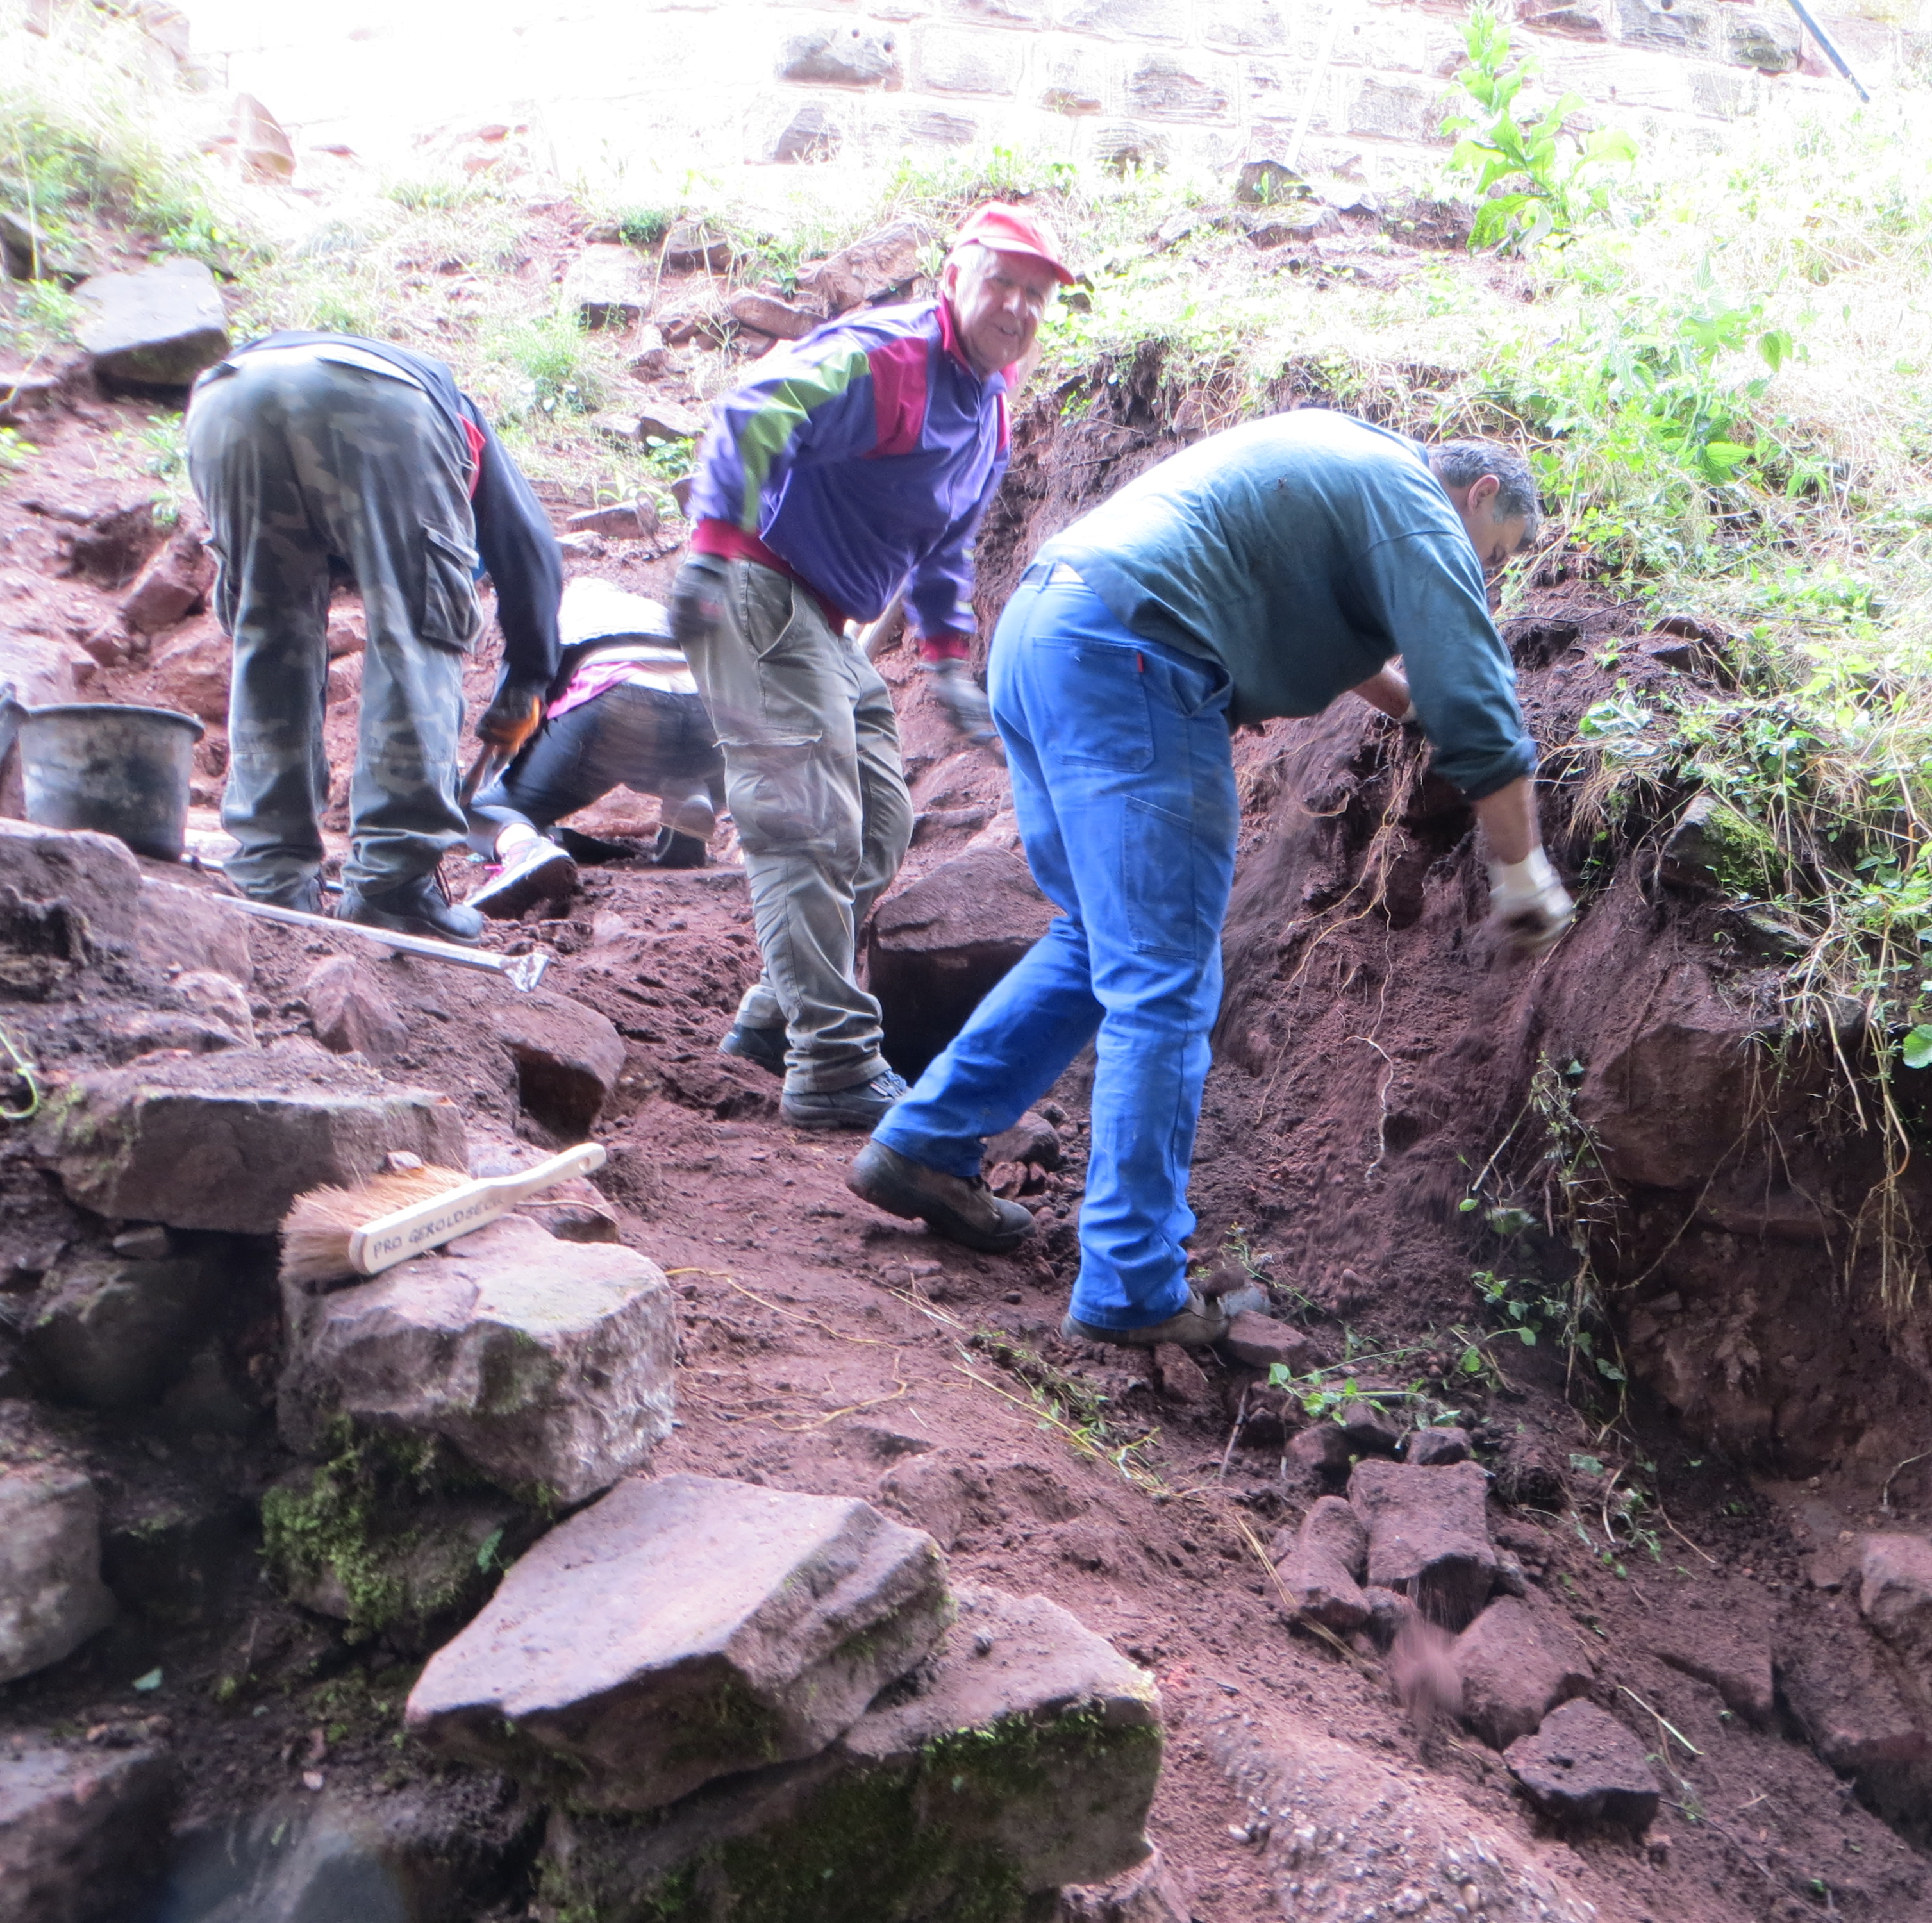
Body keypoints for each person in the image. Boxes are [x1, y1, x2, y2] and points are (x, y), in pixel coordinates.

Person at [850, 411, 1576, 1349]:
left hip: (1045, 636)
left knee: (1098, 939)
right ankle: (1132, 1286)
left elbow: (1300, 611)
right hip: (1133, 662)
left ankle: (926, 1144)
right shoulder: (1417, 506)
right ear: (1479, 495)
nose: (1489, 572)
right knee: (1166, 981)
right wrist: (1521, 867)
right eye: (1498, 551)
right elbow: (1475, 697)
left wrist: (1406, 706)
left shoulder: (1345, 461)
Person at [672, 201, 1071, 1129]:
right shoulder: (889, 359)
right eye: (1002, 283)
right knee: (810, 825)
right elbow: (754, 410)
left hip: (823, 617)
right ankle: (834, 1063)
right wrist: (710, 550)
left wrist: (947, 659)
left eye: (1037, 295)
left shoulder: (989, 409)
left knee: (881, 824)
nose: (1018, 307)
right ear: (956, 279)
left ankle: (779, 1012)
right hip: (755, 584)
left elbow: (945, 546)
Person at [185, 331, 561, 941]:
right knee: (416, 629)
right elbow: (532, 555)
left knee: (269, 634)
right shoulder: (464, 428)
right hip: (379, 402)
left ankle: (271, 877)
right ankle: (393, 883)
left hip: (230, 396)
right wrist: (528, 680)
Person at [464, 578, 728, 917]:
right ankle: (688, 795)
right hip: (705, 712)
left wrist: (493, 786)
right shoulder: (652, 611)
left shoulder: (554, 614)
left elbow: (519, 706)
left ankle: (523, 846)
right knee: (673, 748)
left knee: (477, 811)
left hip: (618, 700)